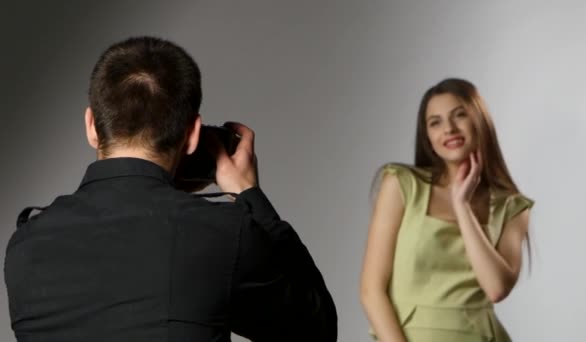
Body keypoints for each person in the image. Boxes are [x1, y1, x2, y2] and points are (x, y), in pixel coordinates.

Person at [4, 36, 337, 342]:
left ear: (91, 125)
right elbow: (314, 330)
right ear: (193, 134)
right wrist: (249, 194)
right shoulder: (222, 233)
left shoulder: (25, 246)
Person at [360, 78, 534, 342]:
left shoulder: (511, 207)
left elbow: (496, 288)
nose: (449, 129)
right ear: (428, 138)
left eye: (460, 115)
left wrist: (462, 205)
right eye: (435, 122)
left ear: (480, 122)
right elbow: (371, 290)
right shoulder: (402, 185)